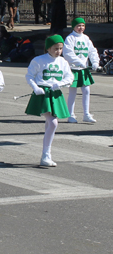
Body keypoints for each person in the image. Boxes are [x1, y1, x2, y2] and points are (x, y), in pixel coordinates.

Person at [24, 35, 74, 167]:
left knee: (50, 123)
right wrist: (35, 87)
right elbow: (29, 76)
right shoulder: (39, 60)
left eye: (60, 48)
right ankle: (46, 154)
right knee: (53, 123)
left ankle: (45, 154)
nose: (58, 51)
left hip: (55, 93)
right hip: (43, 94)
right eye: (55, 48)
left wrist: (60, 84)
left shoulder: (63, 62)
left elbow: (70, 77)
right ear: (48, 48)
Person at [63, 18, 100, 123]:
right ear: (74, 27)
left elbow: (92, 51)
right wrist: (79, 62)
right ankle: (71, 115)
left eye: (83, 26)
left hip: (83, 70)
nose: (81, 28)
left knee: (86, 91)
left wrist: (95, 62)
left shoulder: (86, 38)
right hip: (73, 69)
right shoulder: (70, 38)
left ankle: (86, 114)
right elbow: (67, 53)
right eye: (78, 26)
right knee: (73, 92)